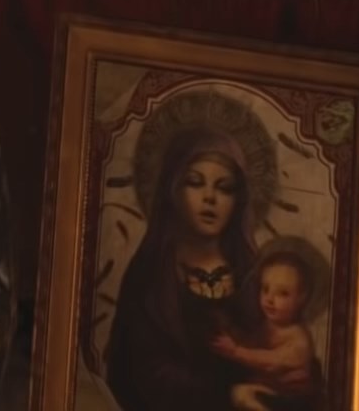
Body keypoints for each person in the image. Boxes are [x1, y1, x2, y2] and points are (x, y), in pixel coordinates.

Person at [103, 85, 299, 409]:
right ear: (172, 191)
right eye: (195, 183)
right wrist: (228, 395)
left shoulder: (254, 275)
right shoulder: (150, 275)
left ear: (238, 200)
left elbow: (278, 355)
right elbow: (143, 375)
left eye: (225, 188)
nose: (210, 198)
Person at [210, 236, 331, 410]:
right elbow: (252, 344)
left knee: (240, 394)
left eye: (283, 293)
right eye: (265, 289)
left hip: (290, 400)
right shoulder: (267, 325)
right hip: (266, 390)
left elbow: (270, 362)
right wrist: (230, 334)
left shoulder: (299, 338)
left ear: (302, 299)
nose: (269, 299)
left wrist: (236, 351)